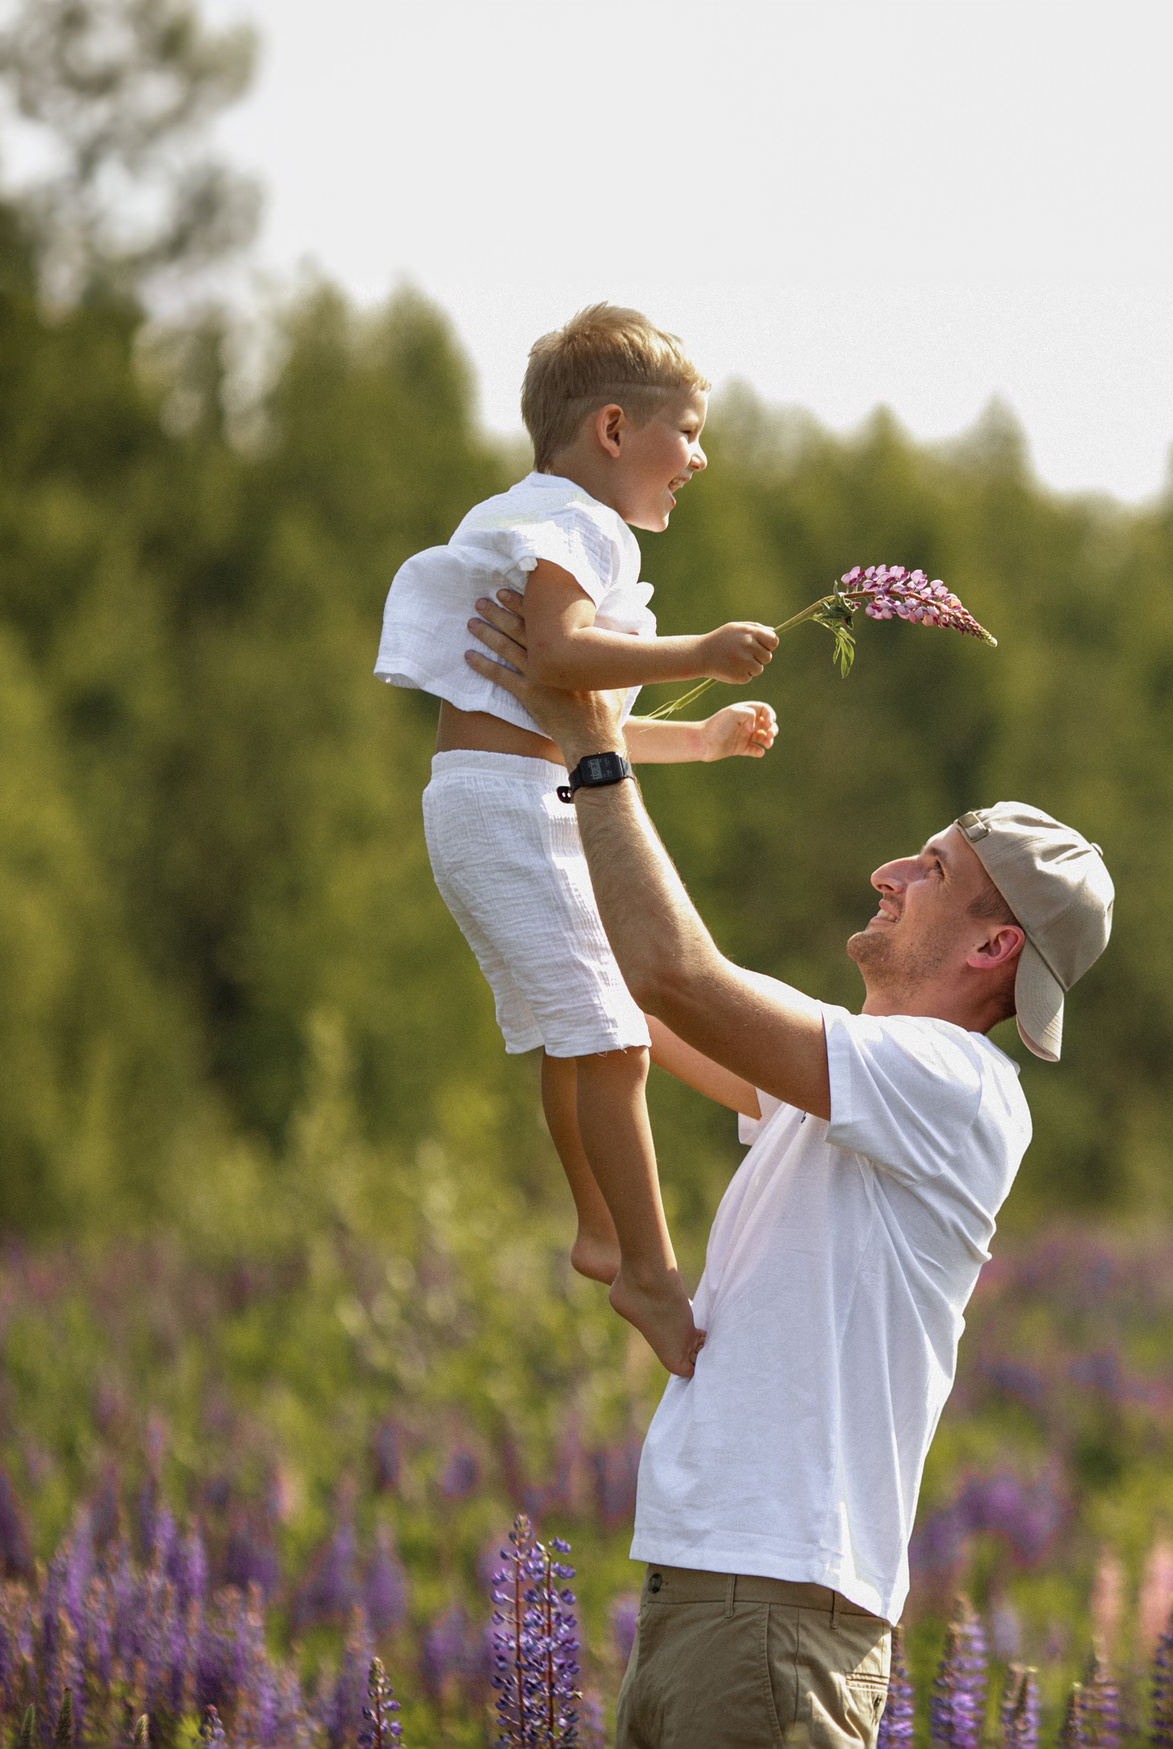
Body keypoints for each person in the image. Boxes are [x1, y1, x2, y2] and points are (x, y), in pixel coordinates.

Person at [463, 591, 1114, 1749]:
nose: (886, 871)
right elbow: (635, 994)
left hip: (775, 1622)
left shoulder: (956, 1087)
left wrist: (598, 746)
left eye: (930, 868)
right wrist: (535, 783)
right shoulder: (849, 1085)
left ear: (993, 945)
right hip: (710, 1602)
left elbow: (676, 977)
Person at [374, 303, 786, 1377]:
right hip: (512, 806)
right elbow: (558, 658)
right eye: (685, 432)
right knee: (612, 1039)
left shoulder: (528, 513)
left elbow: (565, 713)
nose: (698, 458)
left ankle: (602, 1228)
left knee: (584, 1029)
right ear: (613, 430)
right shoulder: (584, 526)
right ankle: (645, 1267)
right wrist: (700, 650)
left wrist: (698, 739)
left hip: (498, 792)